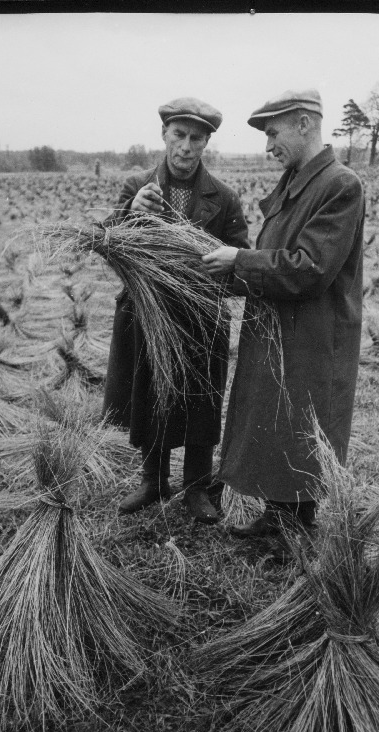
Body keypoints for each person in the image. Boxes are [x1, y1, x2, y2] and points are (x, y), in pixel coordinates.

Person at [202, 89, 365, 555]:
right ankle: (278, 518)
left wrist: (239, 260)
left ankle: (296, 528)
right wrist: (225, 273)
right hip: (280, 325)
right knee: (280, 419)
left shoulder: (340, 184)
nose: (268, 145)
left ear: (303, 124)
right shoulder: (298, 182)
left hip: (315, 333)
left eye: (273, 133)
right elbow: (274, 260)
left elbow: (309, 268)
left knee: (303, 423)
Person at [103, 97, 249, 523]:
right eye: (179, 135)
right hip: (149, 316)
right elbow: (109, 247)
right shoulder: (137, 187)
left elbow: (242, 259)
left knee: (200, 397)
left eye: (196, 138)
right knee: (151, 393)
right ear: (164, 135)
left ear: (207, 143)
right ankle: (153, 480)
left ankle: (197, 487)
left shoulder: (223, 197)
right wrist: (130, 216)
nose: (186, 146)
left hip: (202, 318)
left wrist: (217, 266)